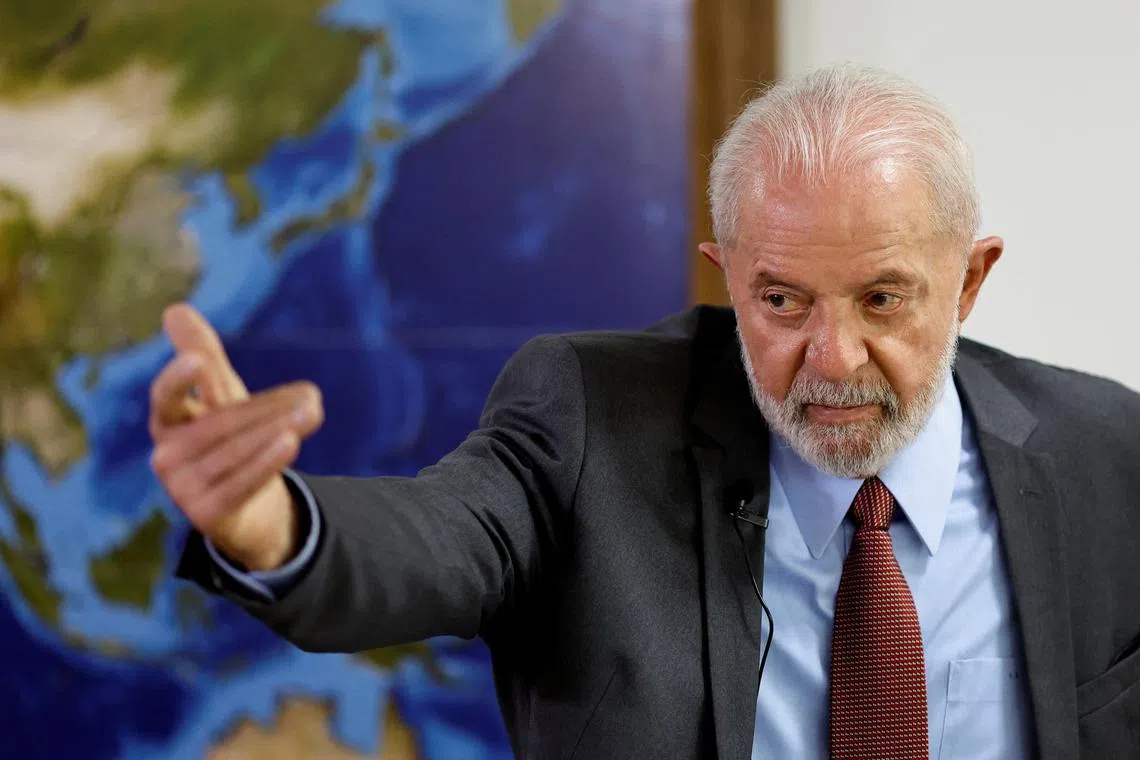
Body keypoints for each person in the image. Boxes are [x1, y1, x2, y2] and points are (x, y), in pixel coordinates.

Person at [154, 64, 1140, 759]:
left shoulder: (1111, 459)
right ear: (726, 274)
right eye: (782, 300)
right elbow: (434, 541)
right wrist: (271, 522)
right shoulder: (589, 417)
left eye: (883, 299)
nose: (832, 358)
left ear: (968, 280)